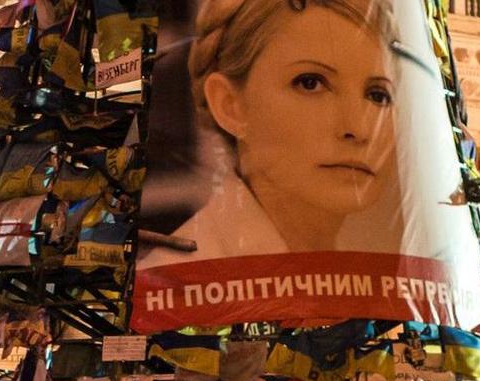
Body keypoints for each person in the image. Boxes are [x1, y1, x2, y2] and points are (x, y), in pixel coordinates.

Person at [141, 0, 401, 265]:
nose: (358, 128)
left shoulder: (385, 270)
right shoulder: (176, 285)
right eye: (310, 83)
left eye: (378, 95)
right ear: (230, 105)